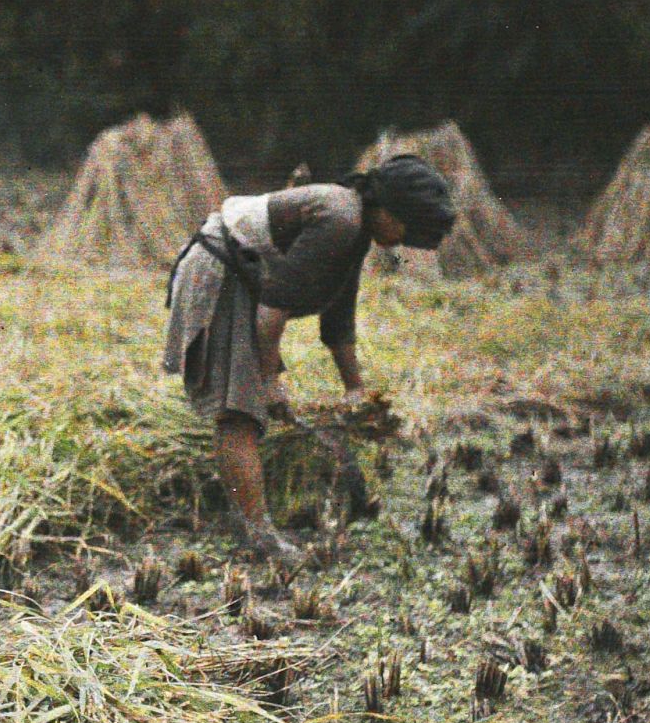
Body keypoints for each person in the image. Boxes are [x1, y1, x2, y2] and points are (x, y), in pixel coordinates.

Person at [162, 155, 456, 561]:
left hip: (243, 278)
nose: (405, 240)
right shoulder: (341, 219)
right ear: (386, 207)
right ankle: (258, 534)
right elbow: (272, 307)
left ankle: (250, 517)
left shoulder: (354, 226)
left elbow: (339, 314)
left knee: (245, 406)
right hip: (220, 270)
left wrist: (356, 390)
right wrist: (269, 381)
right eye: (406, 227)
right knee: (240, 411)